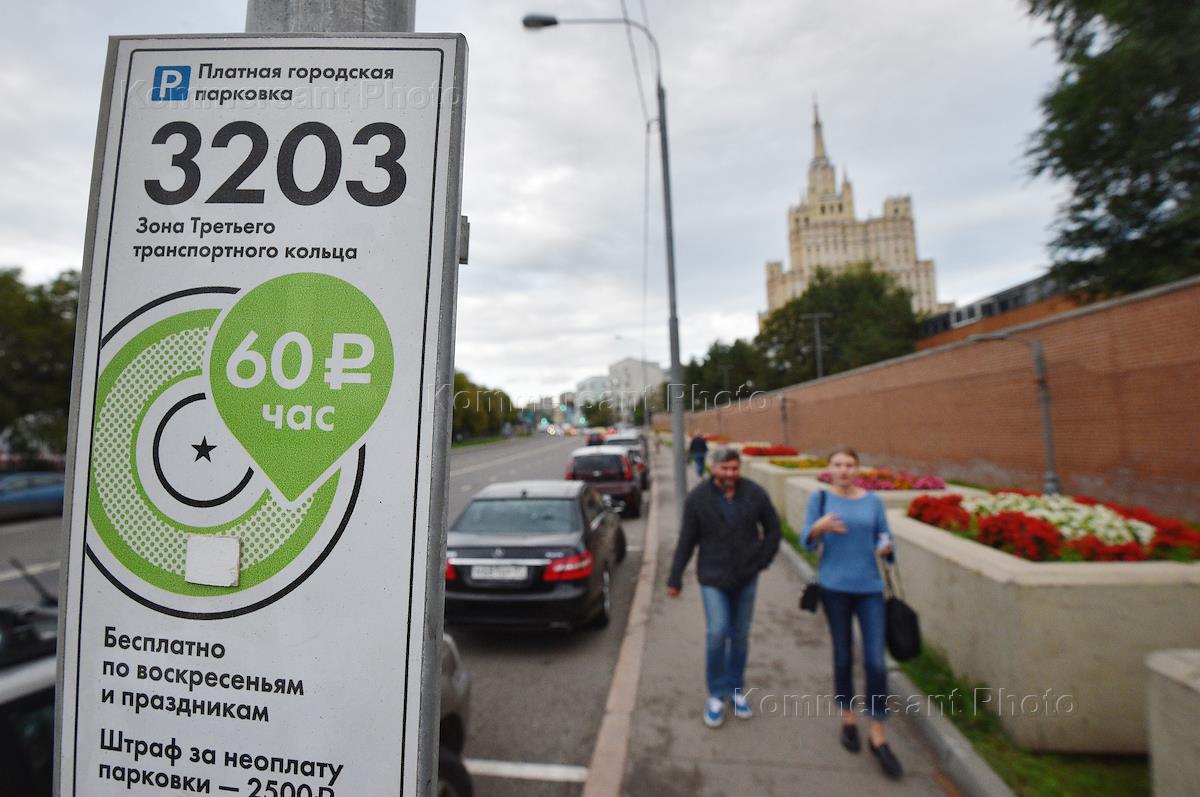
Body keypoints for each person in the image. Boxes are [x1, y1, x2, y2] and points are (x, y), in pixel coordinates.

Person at [801, 448, 903, 780]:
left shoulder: (872, 502)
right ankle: (848, 719)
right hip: (834, 589)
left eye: (849, 465)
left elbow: (885, 539)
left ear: (858, 469)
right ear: (829, 468)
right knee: (843, 655)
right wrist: (818, 527)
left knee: (875, 660)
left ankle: (878, 733)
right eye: (838, 465)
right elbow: (806, 541)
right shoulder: (819, 499)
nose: (843, 470)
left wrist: (886, 546)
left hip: (870, 589)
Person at [666, 447, 781, 728]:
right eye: (724, 469)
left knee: (740, 636)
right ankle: (716, 693)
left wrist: (761, 561)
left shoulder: (754, 493)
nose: (730, 474)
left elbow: (773, 529)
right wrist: (675, 577)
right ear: (713, 468)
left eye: (734, 469)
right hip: (712, 577)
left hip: (746, 576)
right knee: (718, 632)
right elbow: (687, 540)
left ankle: (736, 689)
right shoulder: (698, 499)